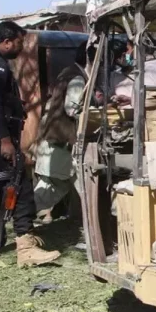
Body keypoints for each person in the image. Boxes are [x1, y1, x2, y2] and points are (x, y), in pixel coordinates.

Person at [0, 21, 60, 267]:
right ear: (7, 42)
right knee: (21, 185)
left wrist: (14, 106)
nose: (21, 47)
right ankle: (26, 247)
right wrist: (5, 140)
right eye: (18, 42)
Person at [33, 41, 93, 224]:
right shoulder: (77, 78)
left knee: (62, 185)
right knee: (53, 187)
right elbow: (72, 109)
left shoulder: (67, 72)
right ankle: (22, 218)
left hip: (56, 141)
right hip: (60, 143)